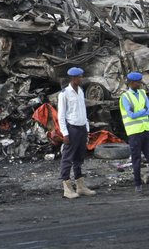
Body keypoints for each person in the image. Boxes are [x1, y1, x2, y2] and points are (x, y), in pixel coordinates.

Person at [57, 66, 95, 199]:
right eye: (79, 77)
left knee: (79, 158)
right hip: (72, 129)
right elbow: (61, 115)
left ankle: (80, 186)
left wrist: (87, 129)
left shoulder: (80, 91)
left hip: (81, 128)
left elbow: (83, 111)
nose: (81, 79)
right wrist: (65, 133)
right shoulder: (64, 94)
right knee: (67, 158)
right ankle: (67, 188)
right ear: (73, 78)